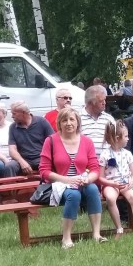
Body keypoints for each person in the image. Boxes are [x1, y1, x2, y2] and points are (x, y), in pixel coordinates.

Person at [38, 106, 106, 247]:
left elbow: (94, 168)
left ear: (78, 122)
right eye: (64, 120)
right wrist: (68, 180)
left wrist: (88, 179)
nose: (68, 123)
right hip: (60, 184)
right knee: (73, 195)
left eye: (71, 119)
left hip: (82, 181)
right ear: (59, 123)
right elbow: (44, 171)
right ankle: (66, 238)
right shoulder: (50, 141)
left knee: (93, 189)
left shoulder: (87, 142)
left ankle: (96, 234)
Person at [99, 122, 133, 235]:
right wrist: (112, 183)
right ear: (117, 138)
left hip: (126, 182)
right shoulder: (105, 155)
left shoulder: (127, 154)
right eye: (126, 136)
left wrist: (132, 181)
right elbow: (100, 178)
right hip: (111, 184)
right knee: (110, 198)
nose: (128, 139)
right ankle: (119, 228)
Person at [8, 101, 54, 175]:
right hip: (23, 159)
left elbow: (53, 142)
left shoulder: (42, 122)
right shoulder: (13, 127)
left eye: (14, 113)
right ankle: (10, 183)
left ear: (23, 113)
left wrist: (46, 158)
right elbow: (12, 150)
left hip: (41, 158)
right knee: (10, 166)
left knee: (55, 163)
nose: (12, 116)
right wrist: (22, 162)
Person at [79, 85, 116, 152]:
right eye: (101, 101)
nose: (104, 103)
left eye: (105, 100)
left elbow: (116, 140)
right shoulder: (77, 118)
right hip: (85, 157)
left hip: (107, 157)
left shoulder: (109, 119)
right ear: (91, 102)